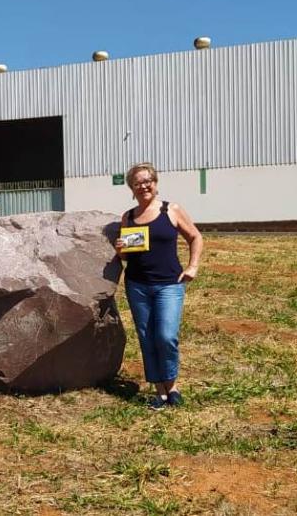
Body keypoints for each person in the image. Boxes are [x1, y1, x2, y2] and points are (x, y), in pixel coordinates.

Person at [115, 162, 203, 410]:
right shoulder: (128, 217)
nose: (143, 186)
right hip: (138, 285)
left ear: (155, 183)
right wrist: (120, 250)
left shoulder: (170, 210)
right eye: (137, 183)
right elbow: (126, 257)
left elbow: (195, 237)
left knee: (166, 335)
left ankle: (172, 384)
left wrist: (192, 266)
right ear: (131, 188)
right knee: (146, 337)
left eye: (147, 181)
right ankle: (160, 390)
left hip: (169, 285)